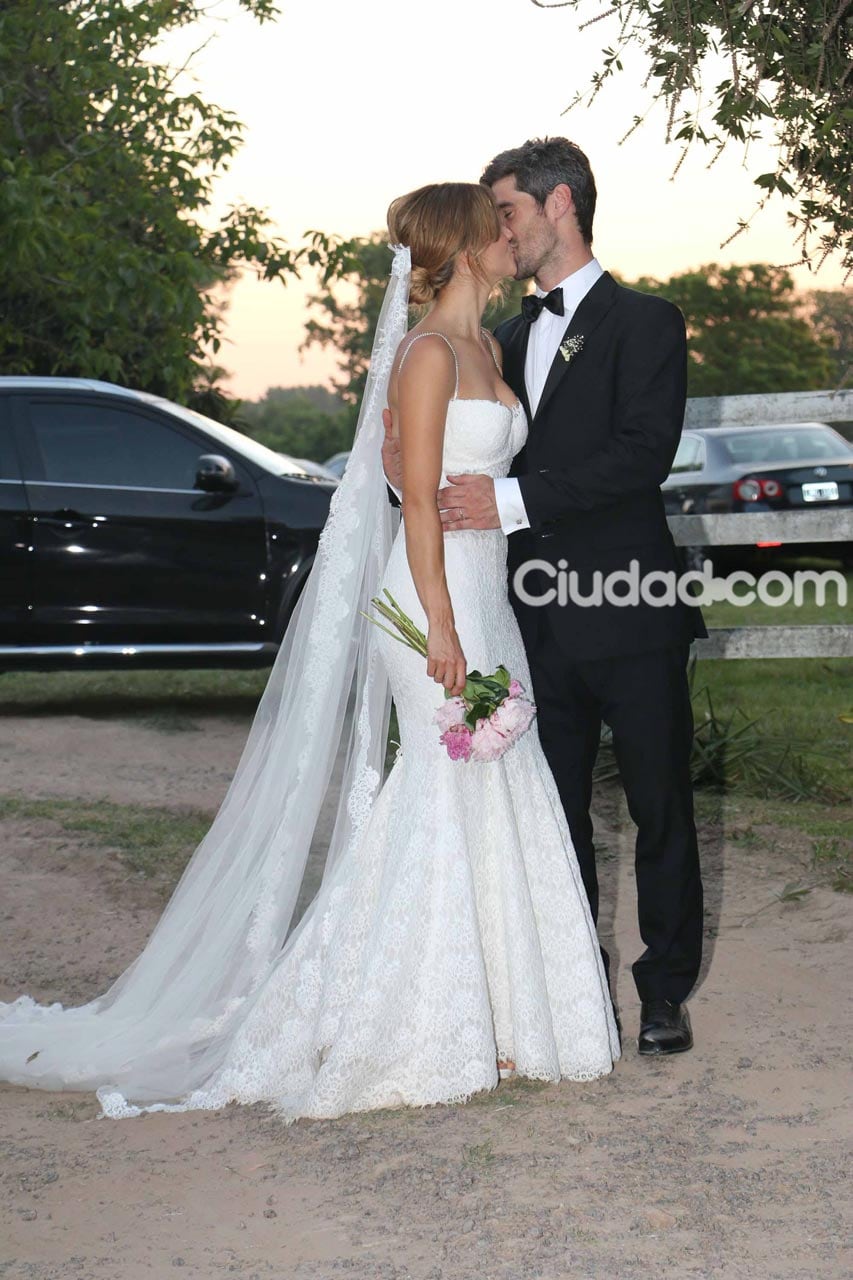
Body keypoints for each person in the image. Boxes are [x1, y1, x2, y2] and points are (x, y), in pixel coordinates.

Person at [0, 182, 619, 1122]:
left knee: (497, 782)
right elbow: (413, 500)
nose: (511, 235)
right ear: (459, 247)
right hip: (430, 600)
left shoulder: (488, 347)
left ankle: (507, 1012)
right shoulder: (423, 355)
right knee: (441, 787)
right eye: (495, 226)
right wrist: (443, 628)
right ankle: (408, 1017)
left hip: (487, 594)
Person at [385, 139, 706, 1056]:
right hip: (522, 620)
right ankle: (568, 987)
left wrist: (508, 500)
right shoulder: (496, 338)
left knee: (659, 804)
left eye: (509, 210)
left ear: (558, 204)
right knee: (546, 810)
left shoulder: (646, 321)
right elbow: (447, 462)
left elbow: (642, 454)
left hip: (629, 604)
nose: (499, 228)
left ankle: (663, 990)